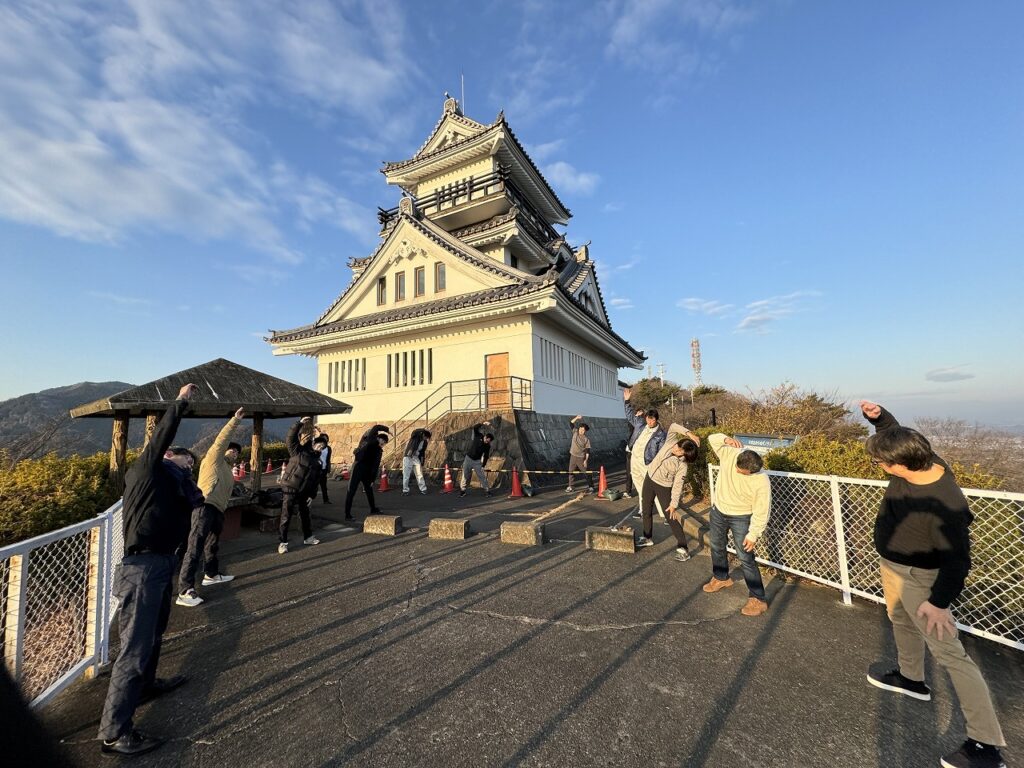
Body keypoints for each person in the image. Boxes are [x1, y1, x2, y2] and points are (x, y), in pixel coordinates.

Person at [860, 401, 1007, 768]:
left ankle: (986, 746)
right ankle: (911, 679)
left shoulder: (945, 502)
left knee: (951, 656)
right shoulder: (920, 460)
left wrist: (939, 602)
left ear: (900, 465)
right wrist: (880, 418)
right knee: (900, 621)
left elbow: (958, 561)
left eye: (881, 463)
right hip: (894, 566)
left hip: (920, 579)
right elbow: (893, 438)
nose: (879, 467)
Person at [98, 383, 198, 757]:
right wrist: (180, 404)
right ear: (167, 456)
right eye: (185, 463)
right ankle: (114, 733)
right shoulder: (147, 472)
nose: (189, 468)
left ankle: (148, 685)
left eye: (191, 466)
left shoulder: (170, 487)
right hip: (141, 569)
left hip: (159, 565)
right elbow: (160, 441)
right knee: (134, 650)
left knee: (154, 635)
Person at [176, 407, 244, 608]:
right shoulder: (213, 459)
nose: (235, 453)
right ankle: (184, 590)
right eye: (232, 450)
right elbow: (221, 440)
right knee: (194, 546)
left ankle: (211, 574)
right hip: (204, 506)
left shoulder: (228, 471)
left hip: (218, 511)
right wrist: (235, 420)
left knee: (212, 545)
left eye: (237, 452)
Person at [702, 432, 771, 617]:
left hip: (741, 517)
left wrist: (753, 533)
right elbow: (711, 439)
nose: (739, 472)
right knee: (716, 546)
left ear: (753, 470)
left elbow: (762, 509)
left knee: (745, 556)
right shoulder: (731, 454)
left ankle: (758, 598)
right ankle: (721, 577)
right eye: (739, 469)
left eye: (743, 472)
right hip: (719, 511)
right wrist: (725, 439)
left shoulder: (761, 480)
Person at [636, 423, 700, 557]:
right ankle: (647, 537)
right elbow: (673, 426)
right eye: (677, 446)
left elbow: (677, 486)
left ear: (684, 454)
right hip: (650, 477)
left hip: (663, 486)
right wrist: (689, 433)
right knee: (646, 508)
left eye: (679, 450)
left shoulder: (682, 466)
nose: (675, 448)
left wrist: (673, 504)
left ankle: (683, 547)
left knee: (670, 515)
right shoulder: (672, 441)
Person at [278, 417, 325, 553]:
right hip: (290, 488)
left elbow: (315, 480)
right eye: (318, 444)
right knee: (286, 516)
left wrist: (312, 495)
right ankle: (283, 542)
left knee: (305, 515)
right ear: (312, 443)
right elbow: (290, 438)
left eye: (322, 447)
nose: (320, 447)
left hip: (304, 492)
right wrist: (299, 424)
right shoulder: (298, 451)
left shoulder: (318, 462)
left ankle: (308, 537)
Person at [624, 388, 666, 518]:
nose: (650, 422)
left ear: (656, 420)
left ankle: (664, 514)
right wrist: (627, 401)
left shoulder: (660, 434)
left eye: (653, 420)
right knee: (639, 486)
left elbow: (661, 451)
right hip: (634, 460)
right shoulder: (640, 424)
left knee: (653, 488)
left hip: (647, 463)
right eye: (648, 419)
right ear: (646, 417)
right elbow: (630, 415)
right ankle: (643, 510)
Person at [344, 424, 390, 520]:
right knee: (351, 490)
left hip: (367, 471)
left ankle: (373, 509)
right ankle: (347, 514)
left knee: (369, 490)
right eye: (383, 441)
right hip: (358, 467)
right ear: (379, 438)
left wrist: (372, 479)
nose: (384, 444)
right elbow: (376, 427)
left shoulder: (379, 451)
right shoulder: (371, 440)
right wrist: (387, 430)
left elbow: (375, 466)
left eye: (385, 443)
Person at [460, 421, 493, 497]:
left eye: (489, 441)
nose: (488, 442)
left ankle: (487, 491)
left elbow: (486, 456)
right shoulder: (479, 436)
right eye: (488, 440)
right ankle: (463, 490)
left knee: (482, 476)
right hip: (468, 458)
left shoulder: (487, 446)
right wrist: (482, 423)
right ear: (486, 437)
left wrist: (483, 465)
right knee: (465, 475)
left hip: (477, 462)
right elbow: (475, 428)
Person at [566, 415, 594, 493]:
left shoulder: (586, 439)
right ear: (579, 429)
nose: (581, 431)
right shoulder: (575, 432)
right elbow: (571, 423)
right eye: (581, 429)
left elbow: (588, 451)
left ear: (585, 431)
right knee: (570, 472)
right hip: (573, 456)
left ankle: (591, 486)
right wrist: (577, 418)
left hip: (581, 458)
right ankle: (571, 486)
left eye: (583, 430)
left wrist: (585, 460)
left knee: (586, 472)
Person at [402, 428, 432, 495]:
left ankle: (423, 489)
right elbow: (415, 431)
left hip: (416, 458)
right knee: (406, 474)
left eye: (427, 438)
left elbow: (422, 452)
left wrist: (422, 462)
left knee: (419, 474)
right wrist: (424, 429)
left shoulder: (425, 442)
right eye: (425, 436)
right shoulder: (415, 436)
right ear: (423, 434)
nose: (425, 438)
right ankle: (405, 490)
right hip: (408, 457)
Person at [622, 409, 643, 499]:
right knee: (629, 471)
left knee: (641, 472)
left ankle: (643, 491)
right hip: (631, 450)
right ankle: (628, 491)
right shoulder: (633, 423)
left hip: (640, 451)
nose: (638, 414)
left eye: (641, 413)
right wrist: (636, 417)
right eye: (637, 413)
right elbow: (630, 425)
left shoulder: (644, 425)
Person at [312, 432, 332, 503]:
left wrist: (328, 469)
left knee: (324, 486)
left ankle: (326, 500)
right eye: (323, 439)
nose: (325, 440)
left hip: (324, 469)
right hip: (316, 469)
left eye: (326, 439)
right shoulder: (316, 447)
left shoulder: (328, 448)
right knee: (313, 485)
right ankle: (309, 500)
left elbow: (328, 459)